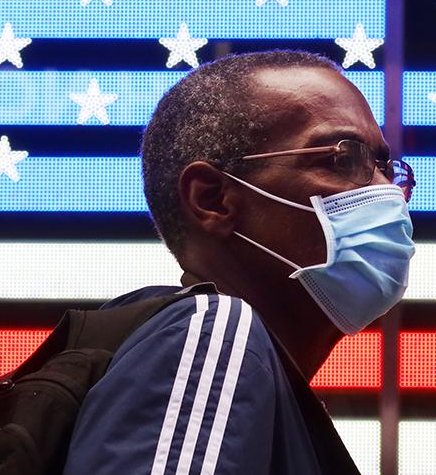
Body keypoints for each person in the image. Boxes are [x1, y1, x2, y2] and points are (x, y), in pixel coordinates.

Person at [63, 51, 416, 474]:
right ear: (212, 199)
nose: (387, 192)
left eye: (385, 167)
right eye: (343, 158)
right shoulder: (210, 333)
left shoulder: (261, 389)